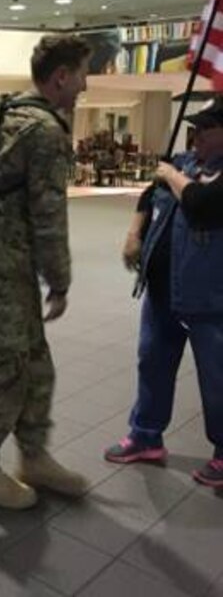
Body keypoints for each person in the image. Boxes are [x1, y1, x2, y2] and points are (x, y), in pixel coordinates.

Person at [0, 34, 92, 510]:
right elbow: (49, 217)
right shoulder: (44, 131)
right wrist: (61, 281)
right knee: (2, 374)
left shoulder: (5, 113)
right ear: (61, 77)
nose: (85, 86)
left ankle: (33, 457)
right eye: (81, 75)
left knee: (36, 367)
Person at [105, 97, 223, 488]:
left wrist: (170, 175)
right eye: (196, 127)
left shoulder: (197, 173)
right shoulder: (187, 163)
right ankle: (145, 436)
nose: (197, 135)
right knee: (152, 363)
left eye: (207, 128)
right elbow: (147, 196)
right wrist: (134, 233)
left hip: (209, 297)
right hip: (161, 290)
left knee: (217, 378)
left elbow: (202, 204)